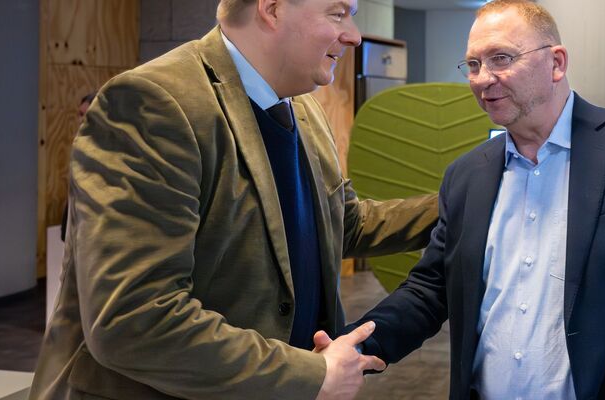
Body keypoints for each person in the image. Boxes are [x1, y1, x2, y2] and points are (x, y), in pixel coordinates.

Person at [340, 1, 605, 399]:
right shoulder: (467, 176)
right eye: (473, 64)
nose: (483, 78)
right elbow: (431, 289)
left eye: (501, 58)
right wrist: (354, 346)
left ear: (556, 62)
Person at [29, 0, 438, 399]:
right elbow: (134, 319)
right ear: (273, 8)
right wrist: (309, 375)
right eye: (338, 13)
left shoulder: (303, 109)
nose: (352, 36)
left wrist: (465, 199)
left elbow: (342, 225)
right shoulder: (154, 103)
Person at [60, 92, 96, 241]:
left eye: (86, 115)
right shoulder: (79, 147)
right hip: (75, 226)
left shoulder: (105, 153)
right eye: (80, 114)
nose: (81, 120)